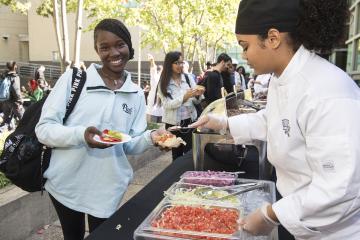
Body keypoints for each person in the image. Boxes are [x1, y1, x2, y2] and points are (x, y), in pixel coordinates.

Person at [190, 0, 360, 239]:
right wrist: (222, 123)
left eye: (245, 46)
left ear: (272, 38)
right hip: (297, 211)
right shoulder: (282, 78)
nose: (244, 56)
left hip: (332, 230)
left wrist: (271, 214)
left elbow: (341, 188)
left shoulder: (328, 91)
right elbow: (271, 121)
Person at [35, 18, 171, 240]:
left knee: (104, 236)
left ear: (129, 46)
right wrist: (81, 135)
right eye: (104, 47)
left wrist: (151, 137)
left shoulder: (136, 93)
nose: (113, 53)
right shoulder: (74, 80)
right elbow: (44, 129)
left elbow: (129, 143)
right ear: (97, 51)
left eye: (120, 44)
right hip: (67, 184)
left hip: (108, 188)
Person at [157, 51, 204, 161]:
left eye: (182, 63)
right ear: (169, 64)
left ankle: (190, 175)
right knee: (177, 155)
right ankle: (177, 176)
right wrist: (184, 97)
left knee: (190, 154)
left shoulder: (188, 78)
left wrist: (198, 96)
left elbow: (196, 102)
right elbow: (167, 104)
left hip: (190, 121)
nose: (180, 66)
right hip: (173, 123)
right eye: (177, 63)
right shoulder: (163, 83)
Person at [0, 61, 24, 131]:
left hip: (5, 100)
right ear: (14, 66)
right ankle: (25, 133)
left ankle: (1, 131)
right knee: (23, 117)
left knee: (6, 118)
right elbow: (16, 90)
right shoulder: (14, 77)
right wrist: (20, 100)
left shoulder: (4, 75)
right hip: (14, 101)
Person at [146, 53, 163, 123]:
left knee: (161, 132)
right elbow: (153, 70)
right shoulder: (156, 79)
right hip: (153, 111)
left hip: (162, 112)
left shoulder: (166, 82)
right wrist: (152, 61)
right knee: (152, 130)